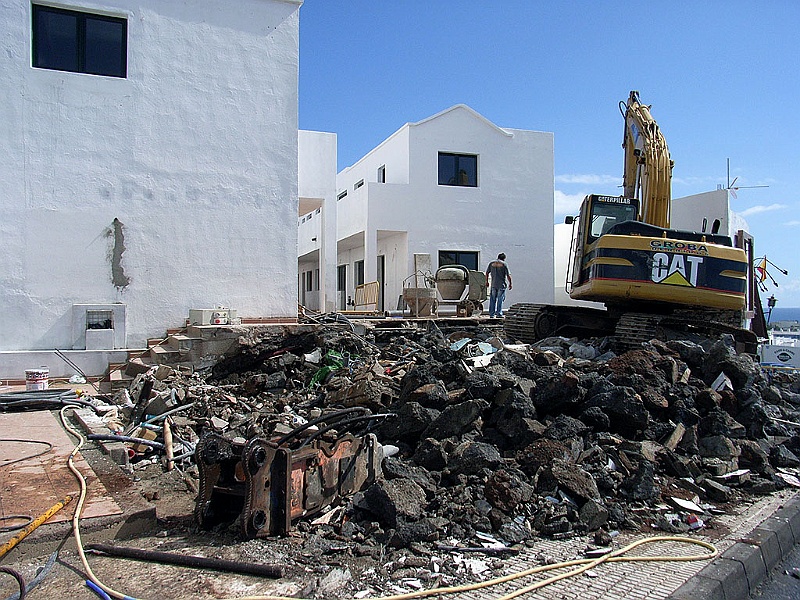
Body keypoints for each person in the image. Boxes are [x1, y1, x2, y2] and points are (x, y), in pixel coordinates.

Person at [485, 253, 512, 317]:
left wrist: (487, 281)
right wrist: (510, 283)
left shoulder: (491, 264)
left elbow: (487, 272)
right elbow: (508, 275)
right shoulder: (504, 264)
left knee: (492, 299)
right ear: (504, 258)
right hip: (501, 285)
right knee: (500, 299)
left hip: (493, 284)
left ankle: (491, 314)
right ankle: (499, 313)